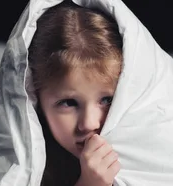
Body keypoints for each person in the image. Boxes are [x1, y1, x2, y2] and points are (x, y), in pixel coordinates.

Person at [27, 1, 123, 186]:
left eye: (107, 99)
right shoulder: (32, 161)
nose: (89, 124)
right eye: (69, 103)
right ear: (36, 100)